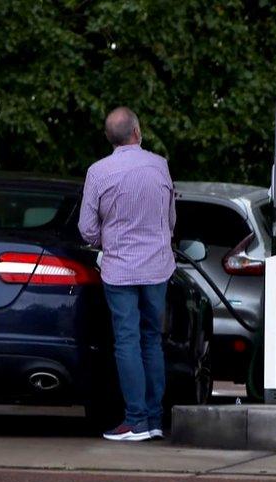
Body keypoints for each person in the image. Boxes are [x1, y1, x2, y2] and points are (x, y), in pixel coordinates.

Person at [78, 107, 176, 442]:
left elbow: (87, 230)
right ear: (137, 131)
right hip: (157, 267)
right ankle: (154, 419)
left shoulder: (98, 172)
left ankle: (135, 420)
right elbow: (170, 219)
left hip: (120, 269)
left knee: (127, 341)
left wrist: (110, 238)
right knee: (152, 340)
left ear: (110, 138)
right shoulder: (159, 166)